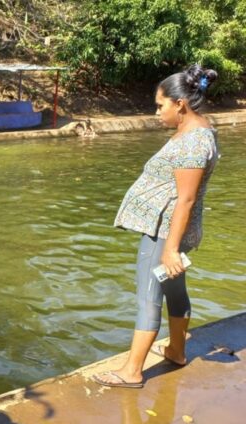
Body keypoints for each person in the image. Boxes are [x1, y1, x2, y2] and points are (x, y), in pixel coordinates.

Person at [93, 65, 220, 389]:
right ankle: (176, 351)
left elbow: (186, 199)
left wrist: (170, 248)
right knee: (175, 290)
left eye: (160, 105)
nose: (156, 112)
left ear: (180, 104)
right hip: (173, 231)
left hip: (165, 233)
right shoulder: (199, 130)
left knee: (148, 298)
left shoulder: (192, 142)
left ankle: (132, 371)